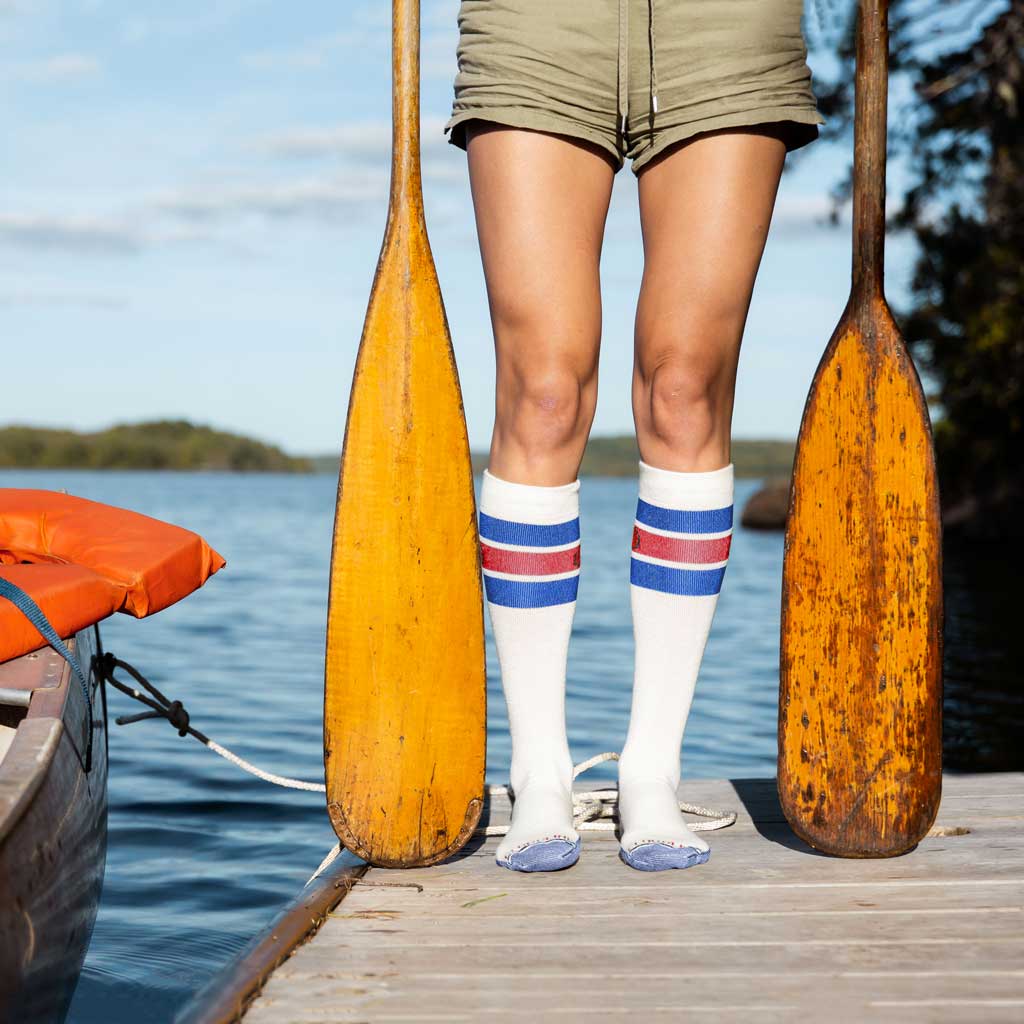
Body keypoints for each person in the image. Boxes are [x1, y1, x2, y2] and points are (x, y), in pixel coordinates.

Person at [443, 0, 824, 872]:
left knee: (685, 387)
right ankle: (539, 769)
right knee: (543, 391)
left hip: (726, 25)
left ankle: (652, 767)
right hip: (540, 23)